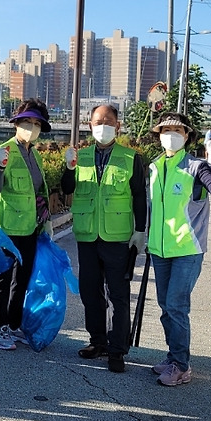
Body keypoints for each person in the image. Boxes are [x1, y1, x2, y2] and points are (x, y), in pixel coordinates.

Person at [61, 104, 147, 373]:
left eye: (108, 122)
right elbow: (66, 189)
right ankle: (97, 341)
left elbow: (139, 197)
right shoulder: (81, 156)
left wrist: (140, 231)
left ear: (118, 126)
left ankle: (117, 350)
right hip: (87, 235)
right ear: (90, 125)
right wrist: (68, 168)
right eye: (97, 122)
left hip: (117, 237)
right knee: (90, 292)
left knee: (119, 296)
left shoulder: (131, 158)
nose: (102, 126)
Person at [147, 111, 211, 387]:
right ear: (158, 136)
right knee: (165, 307)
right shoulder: (155, 167)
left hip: (187, 249)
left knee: (176, 306)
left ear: (187, 136)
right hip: (159, 249)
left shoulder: (197, 167)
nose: (170, 135)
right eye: (165, 130)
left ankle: (181, 366)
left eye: (177, 131)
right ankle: (172, 357)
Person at [0, 98, 52, 350]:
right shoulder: (3, 151)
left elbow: (39, 190)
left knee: (21, 278)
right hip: (6, 227)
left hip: (30, 226)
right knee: (3, 279)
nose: (31, 127)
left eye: (36, 123)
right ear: (16, 123)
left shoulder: (34, 154)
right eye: (27, 121)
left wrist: (44, 220)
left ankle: (13, 325)